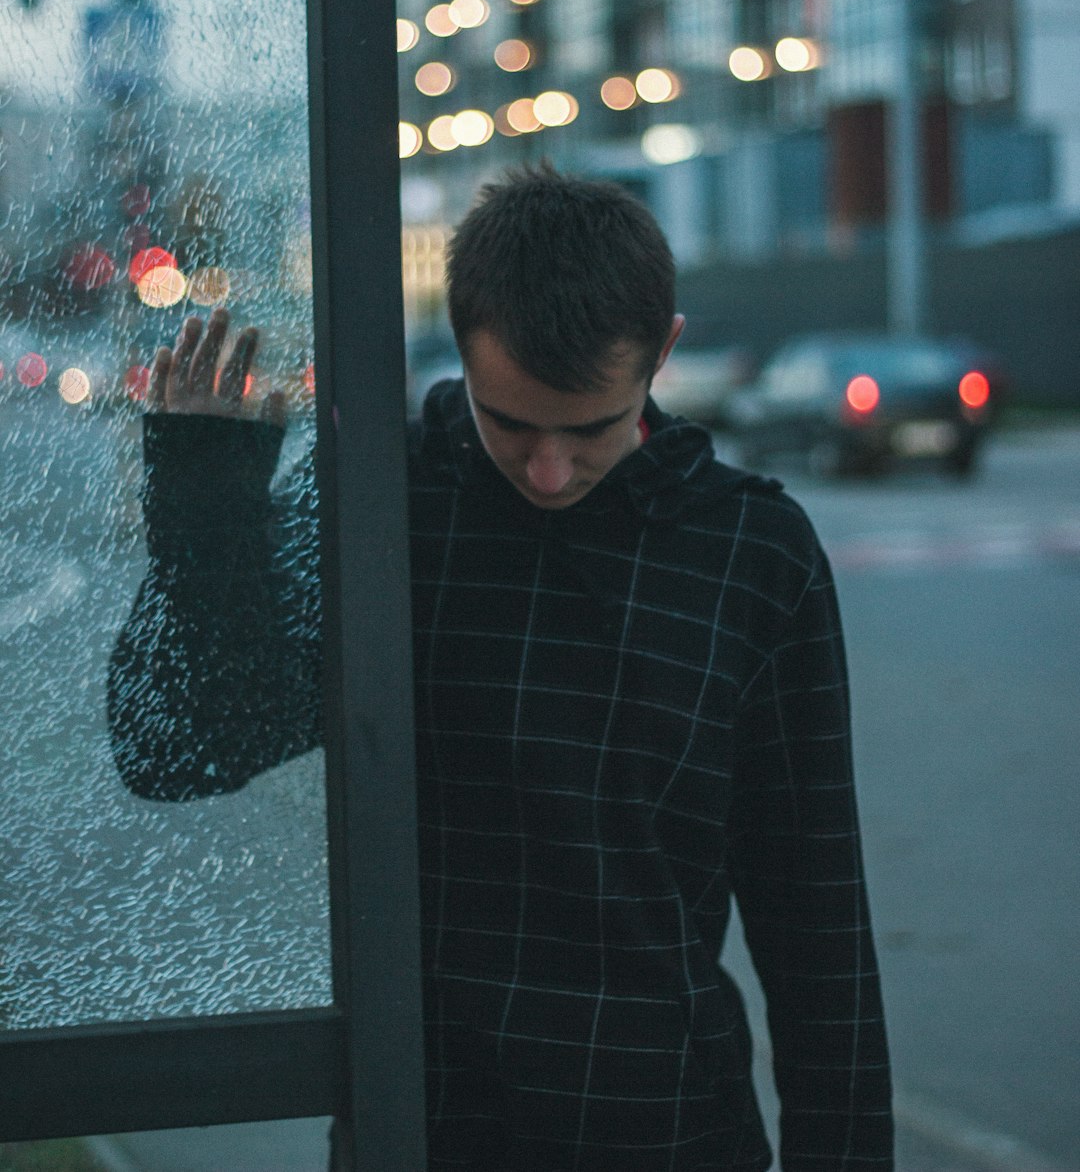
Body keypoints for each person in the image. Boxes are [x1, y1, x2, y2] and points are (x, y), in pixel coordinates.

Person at [109, 165, 893, 1170]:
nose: (550, 471)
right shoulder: (387, 503)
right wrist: (206, 509)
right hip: (428, 1129)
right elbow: (171, 749)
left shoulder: (752, 554)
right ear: (462, 357)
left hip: (664, 1132)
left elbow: (817, 922)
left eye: (590, 428)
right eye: (510, 423)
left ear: (664, 353)